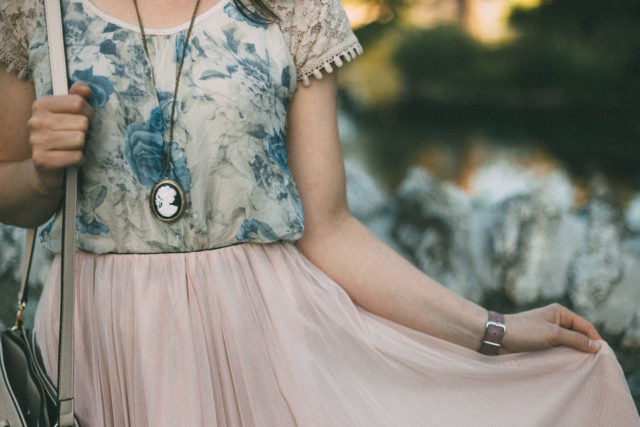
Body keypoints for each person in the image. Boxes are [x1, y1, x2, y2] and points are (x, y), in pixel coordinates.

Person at [0, 0, 638, 425]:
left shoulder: (293, 8)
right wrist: (40, 173)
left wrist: (494, 330)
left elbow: (329, 228)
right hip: (101, 343)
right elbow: (14, 196)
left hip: (269, 346)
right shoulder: (35, 8)